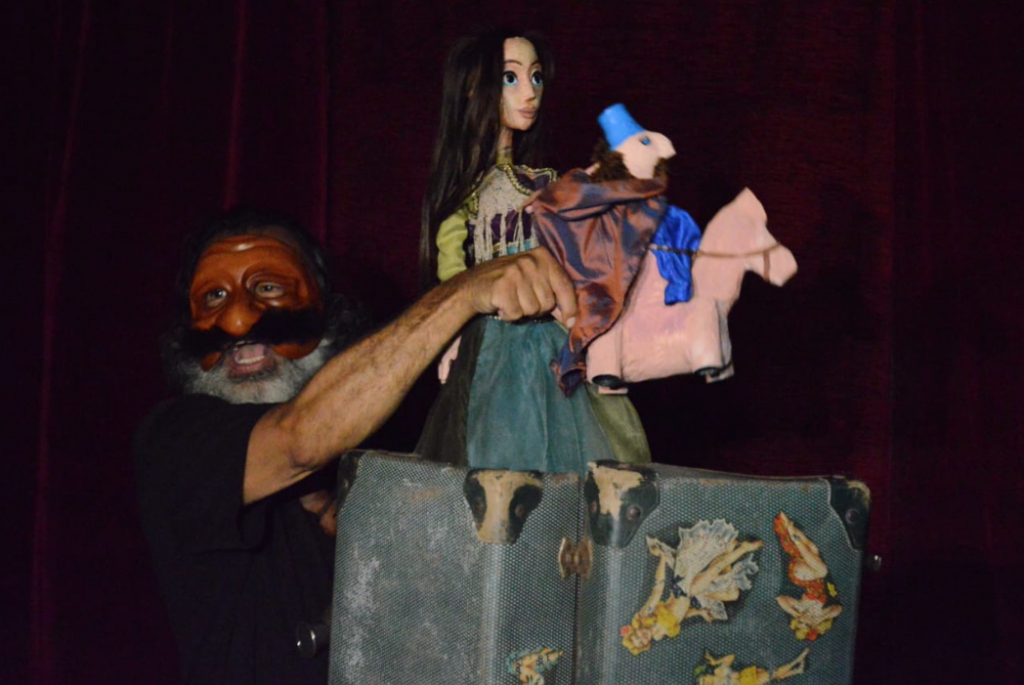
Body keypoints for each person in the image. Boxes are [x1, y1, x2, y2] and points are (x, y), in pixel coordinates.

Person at [134, 206, 577, 684]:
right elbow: (299, 440)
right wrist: (464, 293)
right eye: (214, 296)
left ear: (325, 312)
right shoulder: (174, 439)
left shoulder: (383, 451)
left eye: (268, 288)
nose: (239, 321)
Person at [415, 30, 650, 473]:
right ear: (473, 88)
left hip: (557, 338)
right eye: (511, 77)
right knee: (502, 457)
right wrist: (454, 327)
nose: (530, 92)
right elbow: (453, 269)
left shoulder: (547, 181)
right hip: (497, 345)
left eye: (536, 77)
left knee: (586, 460)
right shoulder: (473, 190)